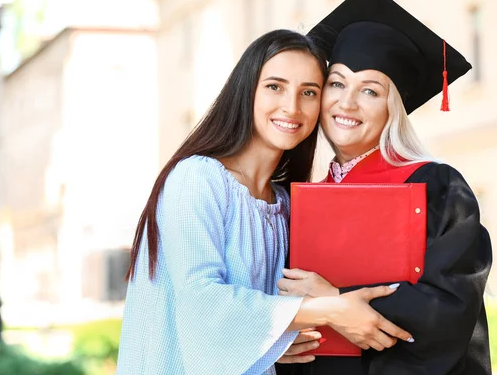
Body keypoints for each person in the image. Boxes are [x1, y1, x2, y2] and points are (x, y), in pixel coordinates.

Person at [116, 28, 413, 375]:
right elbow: (202, 304)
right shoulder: (197, 178)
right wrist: (328, 309)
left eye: (309, 92)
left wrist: (275, 341)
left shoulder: (288, 205)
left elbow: (264, 323)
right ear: (247, 91)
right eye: (275, 86)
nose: (291, 106)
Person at [275, 0, 493, 375]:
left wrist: (336, 301)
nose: (347, 102)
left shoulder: (436, 188)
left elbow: (450, 312)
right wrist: (279, 341)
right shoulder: (298, 199)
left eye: (370, 91)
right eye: (337, 83)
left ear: (393, 108)